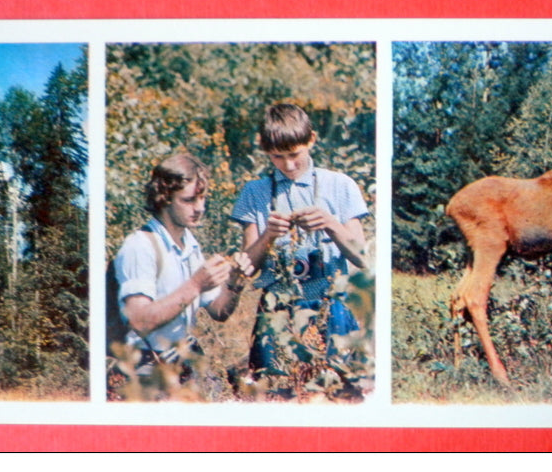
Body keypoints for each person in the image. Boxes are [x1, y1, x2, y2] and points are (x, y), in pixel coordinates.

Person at [230, 103, 370, 377]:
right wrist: (268, 236)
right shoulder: (255, 192)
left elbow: (362, 257)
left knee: (336, 386)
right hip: (277, 312)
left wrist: (330, 223)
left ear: (311, 140)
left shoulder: (340, 185)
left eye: (295, 154)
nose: (289, 165)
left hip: (332, 305)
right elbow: (249, 266)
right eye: (277, 157)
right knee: (277, 388)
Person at [113, 153, 254, 386]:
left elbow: (219, 311)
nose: (200, 208)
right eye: (188, 200)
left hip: (183, 361)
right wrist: (196, 284)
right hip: (146, 368)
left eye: (202, 199)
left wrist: (236, 282)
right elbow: (139, 320)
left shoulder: (189, 244)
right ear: (164, 198)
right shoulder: (140, 246)